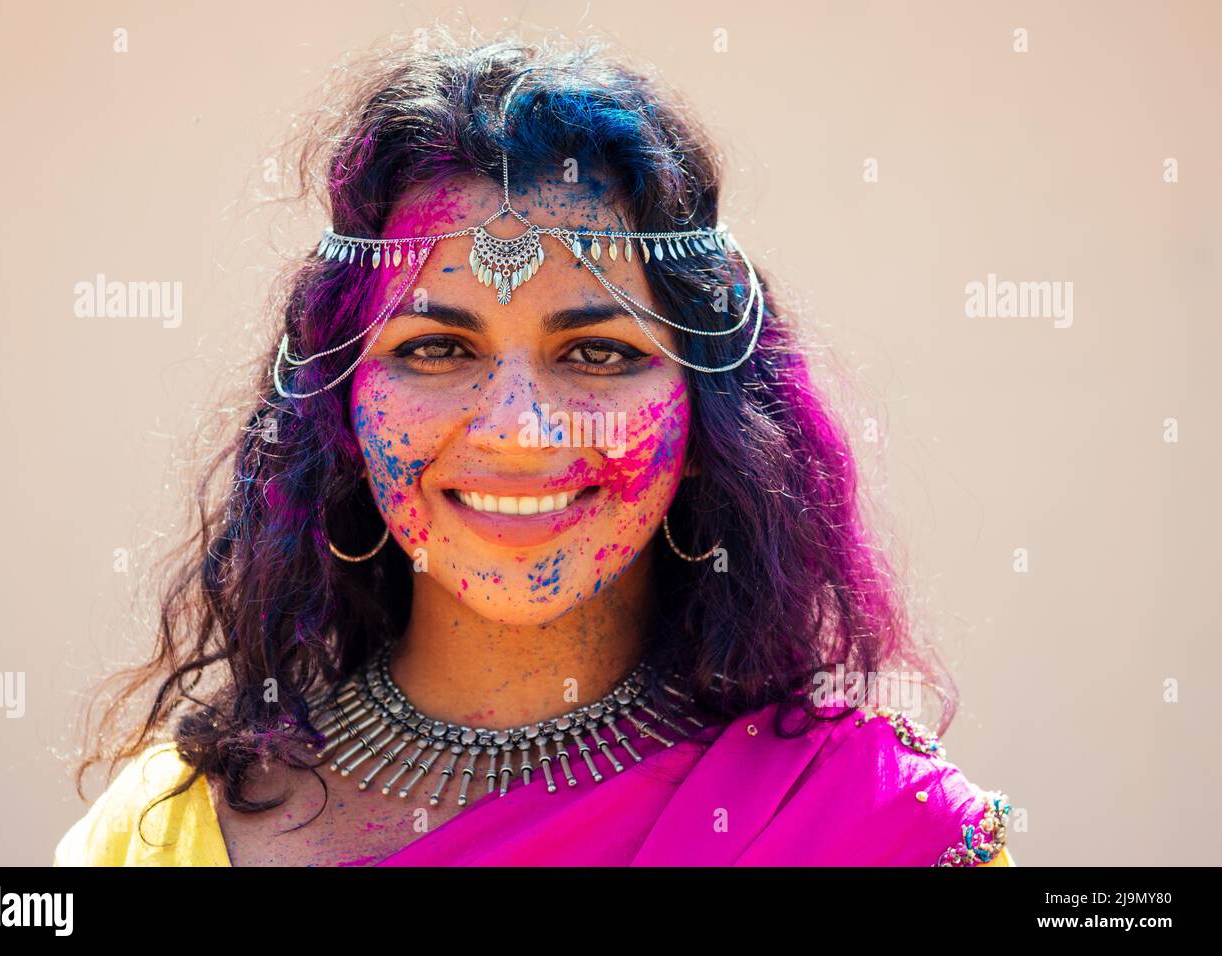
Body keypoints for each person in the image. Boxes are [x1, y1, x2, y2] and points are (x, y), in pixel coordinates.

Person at [54, 29, 1014, 868]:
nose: (520, 430)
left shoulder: (872, 828)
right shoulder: (171, 835)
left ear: (710, 413)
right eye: (435, 348)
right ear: (336, 412)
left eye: (598, 351)